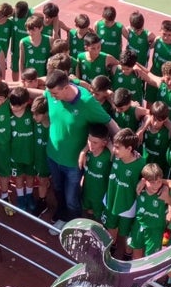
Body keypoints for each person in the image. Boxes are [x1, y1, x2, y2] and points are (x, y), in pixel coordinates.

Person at [44, 68, 117, 226]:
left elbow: (108, 122)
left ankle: (74, 224)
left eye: (55, 93)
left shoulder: (87, 102)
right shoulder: (52, 92)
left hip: (73, 163)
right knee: (57, 189)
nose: (51, 96)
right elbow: (38, 92)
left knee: (72, 198)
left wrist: (123, 144)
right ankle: (62, 214)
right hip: (52, 155)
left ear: (66, 87)